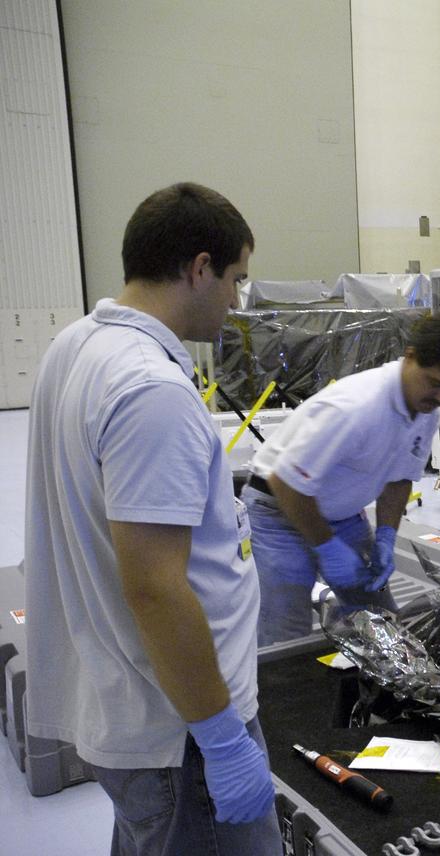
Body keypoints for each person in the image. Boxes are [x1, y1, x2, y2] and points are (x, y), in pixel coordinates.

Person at [24, 183, 280, 854]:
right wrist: (222, 739)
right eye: (235, 280)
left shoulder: (74, 348)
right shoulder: (149, 390)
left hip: (133, 709)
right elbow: (156, 587)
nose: (236, 300)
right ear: (199, 268)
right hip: (181, 732)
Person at [244, 311, 440, 645]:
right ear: (410, 357)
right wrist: (327, 547)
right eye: (435, 384)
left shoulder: (425, 411)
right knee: (286, 632)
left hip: (341, 515)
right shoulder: (356, 407)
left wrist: (386, 536)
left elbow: (400, 479)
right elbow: (287, 481)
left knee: (383, 622)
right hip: (279, 511)